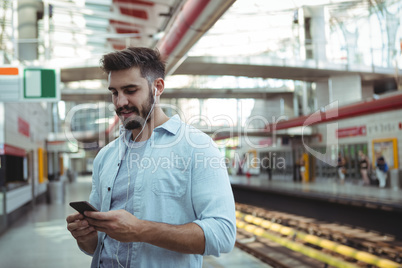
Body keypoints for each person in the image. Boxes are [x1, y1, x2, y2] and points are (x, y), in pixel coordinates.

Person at [66, 47, 236, 268]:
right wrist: (86, 237)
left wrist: (140, 230)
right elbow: (97, 245)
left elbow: (222, 235)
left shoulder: (198, 148)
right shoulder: (105, 157)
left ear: (157, 87)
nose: (120, 103)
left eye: (130, 90)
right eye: (115, 92)